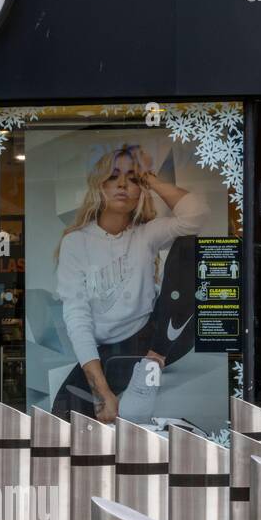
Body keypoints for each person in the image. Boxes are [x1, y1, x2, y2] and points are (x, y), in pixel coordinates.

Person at [53, 142, 207, 421]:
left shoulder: (145, 235)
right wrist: (102, 390)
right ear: (99, 185)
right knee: (62, 413)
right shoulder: (76, 243)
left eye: (132, 178)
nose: (122, 183)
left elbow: (195, 215)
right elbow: (76, 315)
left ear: (140, 191)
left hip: (155, 337)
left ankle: (150, 367)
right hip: (108, 349)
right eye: (113, 176)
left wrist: (150, 178)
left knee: (188, 245)